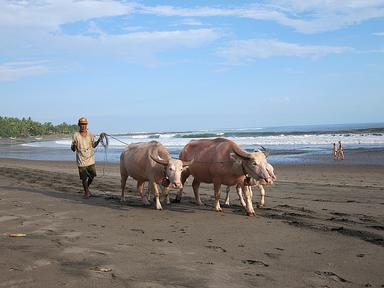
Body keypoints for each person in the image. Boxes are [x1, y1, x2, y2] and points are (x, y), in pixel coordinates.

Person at [71, 117, 106, 198]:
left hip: (90, 159)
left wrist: (100, 138)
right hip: (81, 160)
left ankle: (87, 189)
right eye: (82, 124)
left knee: (92, 176)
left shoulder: (90, 134)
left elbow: (93, 145)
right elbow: (72, 149)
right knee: (84, 178)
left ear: (87, 125)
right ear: (79, 125)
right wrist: (74, 145)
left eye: (85, 124)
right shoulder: (75, 135)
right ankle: (87, 192)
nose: (83, 126)